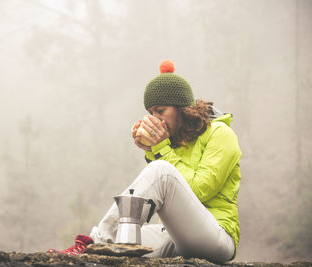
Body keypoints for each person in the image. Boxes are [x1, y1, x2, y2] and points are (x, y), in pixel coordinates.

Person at [48, 60, 241, 263]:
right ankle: (91, 246)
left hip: (217, 237)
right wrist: (152, 150)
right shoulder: (175, 141)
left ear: (182, 108)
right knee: (123, 241)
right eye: (151, 113)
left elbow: (200, 190)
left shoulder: (222, 134)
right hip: (175, 235)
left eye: (160, 111)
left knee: (161, 170)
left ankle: (97, 237)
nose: (155, 119)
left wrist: (160, 149)